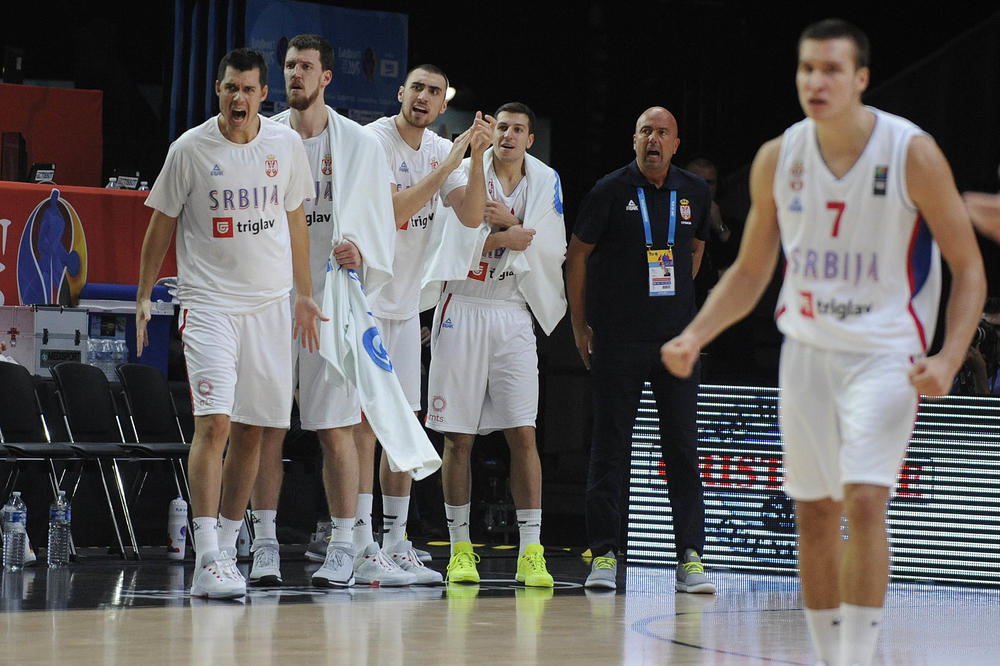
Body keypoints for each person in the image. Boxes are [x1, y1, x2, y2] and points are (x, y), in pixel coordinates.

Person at [661, 19, 985, 666]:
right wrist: (695, 334)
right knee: (813, 511)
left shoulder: (910, 151)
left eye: (832, 69)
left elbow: (968, 265)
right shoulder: (781, 156)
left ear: (862, 78)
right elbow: (752, 270)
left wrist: (949, 356)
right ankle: (826, 654)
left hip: (888, 352)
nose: (817, 80)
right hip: (807, 351)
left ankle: (858, 656)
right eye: (808, 69)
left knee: (864, 499)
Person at [244, 34, 435, 588]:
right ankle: (263, 545)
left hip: (336, 298)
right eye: (288, 66)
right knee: (266, 425)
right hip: (276, 296)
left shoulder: (357, 143)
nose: (295, 75)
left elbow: (382, 223)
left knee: (337, 428)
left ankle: (346, 545)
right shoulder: (266, 137)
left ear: (327, 76)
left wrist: (362, 250)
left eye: (305, 67)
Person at [136, 47, 322, 599]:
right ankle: (208, 552)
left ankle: (232, 541)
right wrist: (145, 295)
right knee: (214, 424)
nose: (238, 98)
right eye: (229, 89)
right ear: (217, 91)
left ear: (264, 95)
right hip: (209, 303)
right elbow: (160, 226)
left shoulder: (285, 145)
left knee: (255, 431)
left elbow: (295, 221)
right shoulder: (189, 150)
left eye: (248, 89)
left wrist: (306, 295)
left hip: (270, 307)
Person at [566, 106, 716, 594]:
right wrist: (580, 323)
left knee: (683, 450)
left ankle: (690, 556)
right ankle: (605, 554)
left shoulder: (694, 191)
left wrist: (674, 306)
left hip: (676, 343)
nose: (654, 139)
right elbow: (578, 255)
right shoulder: (609, 190)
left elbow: (693, 249)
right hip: (618, 339)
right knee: (610, 448)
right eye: (646, 131)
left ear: (676, 143)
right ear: (634, 140)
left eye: (663, 132)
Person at [355, 64, 493, 581]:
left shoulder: (441, 149)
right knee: (364, 426)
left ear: (442, 105)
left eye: (435, 92)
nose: (424, 97)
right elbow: (393, 210)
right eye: (417, 87)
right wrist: (452, 159)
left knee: (401, 429)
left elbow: (473, 215)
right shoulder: (375, 141)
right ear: (401, 93)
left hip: (406, 307)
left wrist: (475, 159)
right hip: (362, 302)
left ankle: (395, 542)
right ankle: (360, 541)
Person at [423, 102, 567, 586]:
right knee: (457, 439)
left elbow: (553, 247)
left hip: (510, 312)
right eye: (501, 126)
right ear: (491, 131)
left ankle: (531, 550)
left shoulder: (546, 180)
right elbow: (450, 243)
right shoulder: (463, 171)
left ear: (530, 138)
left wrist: (505, 227)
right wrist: (508, 232)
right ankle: (460, 549)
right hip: (462, 305)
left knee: (522, 432)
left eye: (518, 129)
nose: (508, 135)